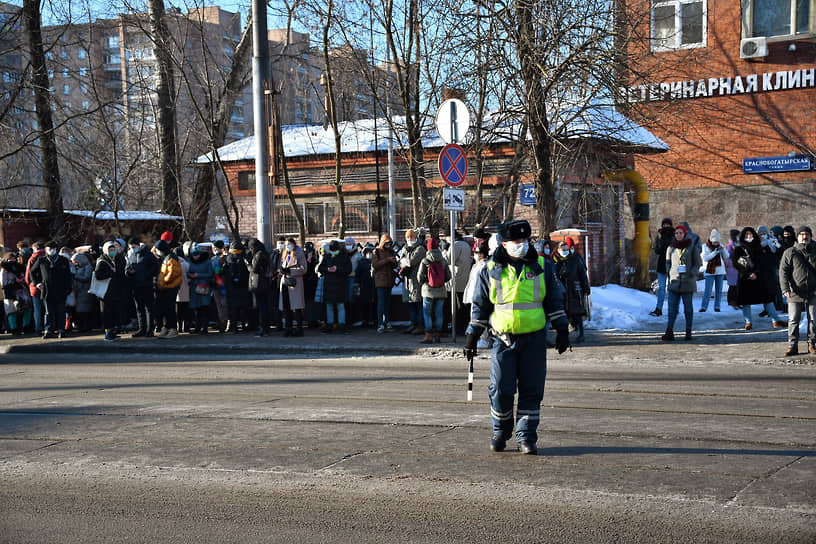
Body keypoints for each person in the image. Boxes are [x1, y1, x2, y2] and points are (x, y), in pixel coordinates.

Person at [464, 220, 569, 455]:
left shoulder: (543, 266)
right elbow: (480, 306)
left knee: (532, 390)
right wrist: (472, 335)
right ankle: (500, 431)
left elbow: (554, 300)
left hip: (534, 339)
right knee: (501, 389)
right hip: (503, 340)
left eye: (524, 241)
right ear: (504, 243)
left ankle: (526, 437)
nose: (521, 245)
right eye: (516, 241)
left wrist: (562, 329)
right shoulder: (490, 269)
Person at [732, 227, 786, 330]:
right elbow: (736, 263)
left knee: (767, 299)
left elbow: (762, 262)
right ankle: (748, 322)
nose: (749, 236)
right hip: (745, 279)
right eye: (746, 234)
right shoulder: (739, 248)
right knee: (746, 301)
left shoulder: (758, 247)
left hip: (759, 278)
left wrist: (755, 272)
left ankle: (776, 320)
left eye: (750, 234)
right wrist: (748, 273)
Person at [779, 226, 816, 356]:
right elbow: (783, 272)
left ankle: (812, 343)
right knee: (793, 319)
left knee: (813, 318)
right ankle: (792, 345)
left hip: (813, 291)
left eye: (806, 234)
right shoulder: (790, 252)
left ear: (810, 236)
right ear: (797, 236)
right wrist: (785, 289)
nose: (804, 236)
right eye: (801, 234)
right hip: (795, 292)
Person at [661, 224, 701, 341]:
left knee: (688, 308)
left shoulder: (692, 247)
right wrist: (670, 271)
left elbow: (698, 263)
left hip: (687, 282)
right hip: (674, 282)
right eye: (676, 233)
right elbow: (667, 262)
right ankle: (669, 331)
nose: (678, 235)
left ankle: (688, 331)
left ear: (685, 234)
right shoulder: (671, 248)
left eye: (680, 233)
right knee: (671, 308)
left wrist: (692, 272)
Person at [29, 241, 73, 339]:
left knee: (61, 311)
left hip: (61, 290)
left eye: (53, 249)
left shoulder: (63, 260)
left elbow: (68, 275)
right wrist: (37, 283)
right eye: (49, 249)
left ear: (56, 250)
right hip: (47, 290)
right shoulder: (42, 260)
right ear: (45, 250)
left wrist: (68, 288)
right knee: (48, 312)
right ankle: (48, 330)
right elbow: (32, 272)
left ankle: (61, 330)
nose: (51, 251)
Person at [553, 239, 591, 343]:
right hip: (561, 291)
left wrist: (586, 288)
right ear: (558, 250)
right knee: (563, 314)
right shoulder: (555, 261)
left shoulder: (575, 260)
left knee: (577, 313)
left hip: (575, 290)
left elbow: (583, 275)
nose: (565, 251)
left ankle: (581, 334)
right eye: (563, 249)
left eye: (566, 249)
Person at [417, 237, 451, 344]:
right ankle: (437, 335)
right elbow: (448, 276)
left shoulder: (425, 261)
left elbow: (419, 277)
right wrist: (440, 281)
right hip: (441, 291)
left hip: (428, 291)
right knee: (439, 314)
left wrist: (425, 282)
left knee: (427, 314)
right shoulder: (443, 260)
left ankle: (428, 335)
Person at [125, 237, 159, 337]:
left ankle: (150, 329)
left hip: (147, 285)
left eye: (134, 247)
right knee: (139, 308)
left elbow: (155, 267)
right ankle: (142, 329)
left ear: (138, 245)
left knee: (149, 308)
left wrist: (146, 275)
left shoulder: (148, 254)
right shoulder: (130, 255)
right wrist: (128, 272)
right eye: (130, 248)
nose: (132, 249)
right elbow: (127, 268)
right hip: (135, 285)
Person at [95, 241, 127, 341]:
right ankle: (107, 333)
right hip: (105, 292)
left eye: (113, 249)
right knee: (107, 314)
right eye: (110, 250)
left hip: (114, 291)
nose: (112, 251)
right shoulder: (102, 261)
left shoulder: (114, 259)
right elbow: (98, 275)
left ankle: (112, 332)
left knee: (113, 313)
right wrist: (111, 273)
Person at [318, 240, 352, 333]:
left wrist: (337, 269)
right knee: (329, 305)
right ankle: (330, 324)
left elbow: (348, 270)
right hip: (329, 285)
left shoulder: (344, 257)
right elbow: (320, 268)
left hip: (340, 285)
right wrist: (328, 269)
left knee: (340, 305)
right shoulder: (327, 256)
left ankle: (341, 324)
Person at [463, 238, 490, 349]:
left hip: (479, 296)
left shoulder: (484, 266)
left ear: (482, 254)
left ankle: (484, 339)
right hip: (474, 296)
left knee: (480, 319)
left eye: (477, 252)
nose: (475, 254)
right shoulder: (476, 265)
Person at [399, 228, 426, 335]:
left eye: (412, 236)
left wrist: (404, 261)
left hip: (416, 280)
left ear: (416, 237)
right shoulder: (405, 248)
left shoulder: (420, 249)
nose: (410, 238)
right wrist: (404, 261)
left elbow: (411, 262)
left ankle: (420, 325)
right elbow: (400, 262)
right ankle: (413, 324)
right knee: (411, 304)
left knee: (418, 303)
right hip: (407, 281)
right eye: (408, 237)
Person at [153, 239, 182, 338]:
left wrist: (162, 282)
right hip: (165, 287)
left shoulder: (171, 257)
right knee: (164, 308)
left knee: (169, 308)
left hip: (170, 287)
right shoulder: (165, 257)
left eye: (157, 249)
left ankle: (173, 328)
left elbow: (173, 273)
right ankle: (167, 327)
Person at [446, 230, 473, 335]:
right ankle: (464, 326)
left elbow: (448, 260)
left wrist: (445, 250)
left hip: (456, 278)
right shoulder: (465, 244)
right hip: (465, 277)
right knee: (463, 304)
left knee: (456, 306)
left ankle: (458, 327)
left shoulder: (455, 245)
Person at [279, 238, 307, 337]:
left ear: (294, 244)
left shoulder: (299, 254)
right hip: (285, 282)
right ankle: (288, 328)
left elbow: (303, 269)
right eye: (286, 245)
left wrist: (290, 271)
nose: (288, 246)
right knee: (286, 307)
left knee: (297, 307)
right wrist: (282, 271)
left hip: (295, 283)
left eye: (289, 244)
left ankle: (299, 329)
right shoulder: (285, 254)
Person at [223, 241, 251, 333]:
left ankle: (234, 326)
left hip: (231, 287)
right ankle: (243, 325)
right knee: (243, 307)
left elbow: (222, 270)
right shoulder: (245, 258)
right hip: (243, 286)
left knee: (233, 308)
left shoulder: (228, 258)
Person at [371, 234, 397, 333]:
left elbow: (395, 266)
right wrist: (387, 260)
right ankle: (380, 323)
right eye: (387, 243)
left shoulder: (391, 251)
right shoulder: (376, 252)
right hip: (380, 281)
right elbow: (375, 265)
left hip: (389, 280)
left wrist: (393, 261)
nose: (389, 245)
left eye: (390, 244)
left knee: (387, 303)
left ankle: (387, 321)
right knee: (381, 302)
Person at [1, 252, 32, 335]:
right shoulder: (4, 270)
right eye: (10, 259)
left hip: (22, 292)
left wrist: (23, 281)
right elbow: (3, 282)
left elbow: (26, 278)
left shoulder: (20, 267)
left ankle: (26, 326)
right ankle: (14, 328)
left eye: (14, 258)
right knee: (11, 311)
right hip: (10, 292)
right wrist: (15, 282)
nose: (12, 260)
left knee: (26, 308)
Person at [699, 229, 729, 312]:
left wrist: (723, 250)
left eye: (717, 242)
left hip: (720, 271)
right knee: (708, 290)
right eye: (714, 242)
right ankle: (704, 307)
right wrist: (715, 253)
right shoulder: (705, 246)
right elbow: (705, 258)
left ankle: (717, 306)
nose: (716, 243)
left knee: (719, 290)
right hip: (709, 271)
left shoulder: (721, 245)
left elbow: (727, 256)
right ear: (711, 240)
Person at [187, 243, 214, 334]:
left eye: (197, 254)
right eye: (194, 255)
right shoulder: (190, 262)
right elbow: (188, 272)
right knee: (196, 309)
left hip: (204, 287)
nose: (195, 257)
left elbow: (210, 274)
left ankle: (205, 328)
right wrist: (190, 275)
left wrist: (198, 275)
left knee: (204, 308)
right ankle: (197, 327)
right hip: (194, 287)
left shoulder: (207, 262)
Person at [650, 218, 674, 317]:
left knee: (672, 288)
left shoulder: (675, 235)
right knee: (661, 288)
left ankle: (672, 309)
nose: (666, 227)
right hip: (661, 264)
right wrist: (657, 247)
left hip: (673, 264)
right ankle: (658, 308)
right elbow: (656, 249)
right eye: (664, 225)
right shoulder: (659, 235)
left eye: (668, 225)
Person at [247, 239, 271, 336]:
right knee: (264, 306)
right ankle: (265, 327)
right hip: (263, 283)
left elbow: (254, 269)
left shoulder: (259, 254)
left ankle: (263, 328)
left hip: (259, 284)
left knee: (262, 307)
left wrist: (248, 264)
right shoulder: (264, 253)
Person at [70, 250, 94, 333]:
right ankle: (81, 326)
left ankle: (86, 326)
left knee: (84, 310)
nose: (75, 263)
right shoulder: (78, 267)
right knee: (79, 310)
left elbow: (87, 277)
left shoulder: (87, 266)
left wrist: (75, 276)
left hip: (85, 290)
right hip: (78, 291)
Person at [725, 229, 740, 308]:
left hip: (738, 268)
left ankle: (737, 301)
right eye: (738, 235)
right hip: (732, 268)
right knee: (732, 286)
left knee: (737, 286)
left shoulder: (738, 244)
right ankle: (731, 301)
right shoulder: (729, 246)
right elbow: (727, 258)